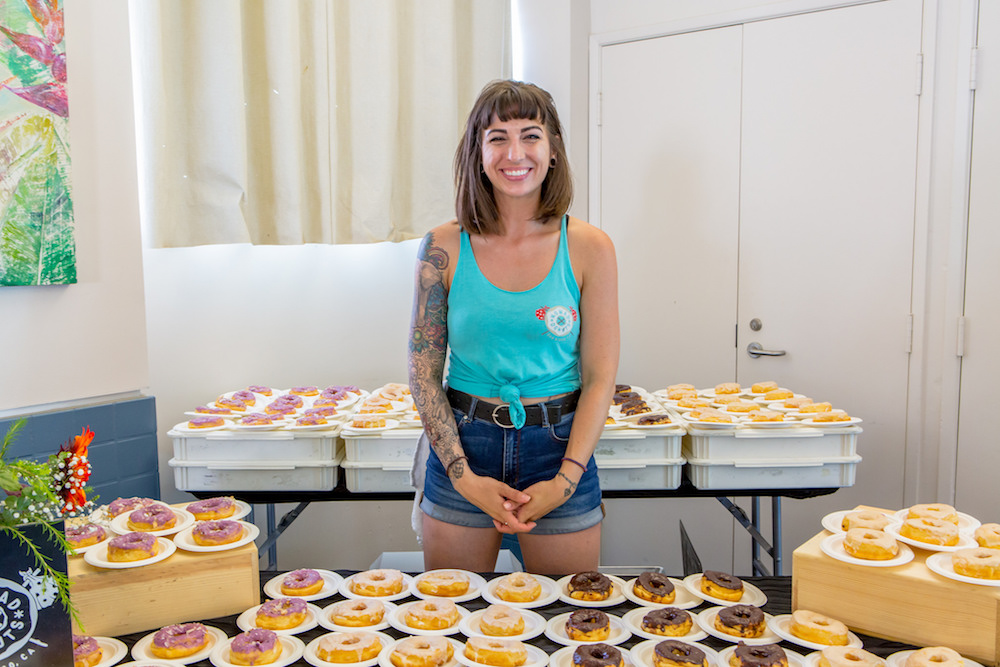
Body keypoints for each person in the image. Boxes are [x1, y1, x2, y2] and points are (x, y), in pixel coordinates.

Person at [408, 79, 620, 575]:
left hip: (561, 448)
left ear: (552, 151)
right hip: (463, 444)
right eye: (497, 137)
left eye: (530, 135)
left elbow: (600, 377)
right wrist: (463, 478)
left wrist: (565, 482)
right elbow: (422, 372)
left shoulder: (591, 247)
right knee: (451, 623)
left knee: (567, 624)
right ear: (477, 152)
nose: (515, 152)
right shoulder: (442, 247)